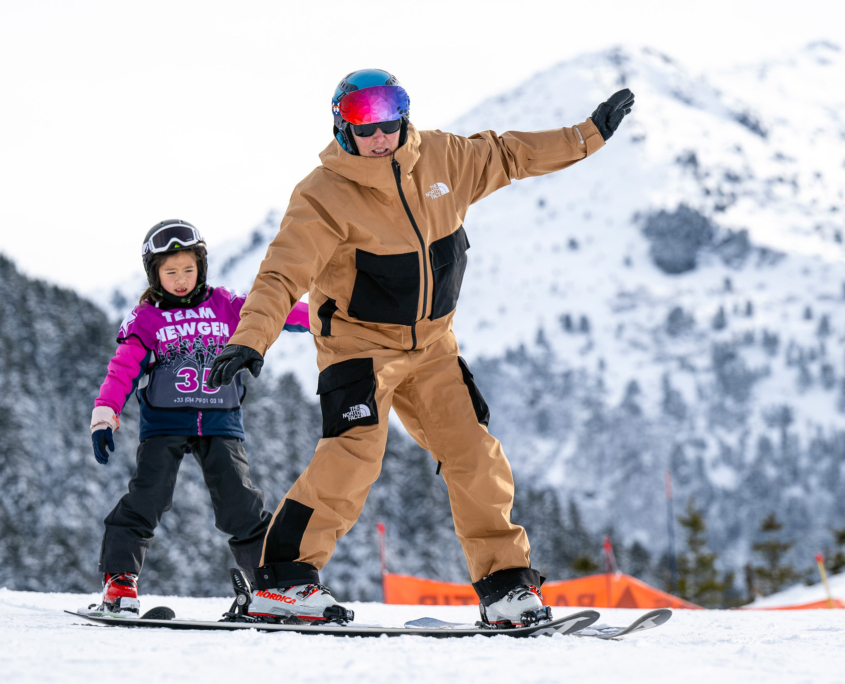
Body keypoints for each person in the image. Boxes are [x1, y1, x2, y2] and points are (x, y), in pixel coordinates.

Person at [208, 70, 634, 627]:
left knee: (474, 454)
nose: (380, 136)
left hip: (432, 345)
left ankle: (507, 586)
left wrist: (587, 136)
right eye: (365, 127)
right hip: (358, 346)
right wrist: (250, 337)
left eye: (389, 121)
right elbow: (282, 274)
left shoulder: (442, 158)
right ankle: (282, 583)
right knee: (353, 455)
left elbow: (509, 154)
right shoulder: (323, 195)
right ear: (343, 128)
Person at [89, 219, 309, 615]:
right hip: (165, 424)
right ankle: (119, 581)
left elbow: (273, 311)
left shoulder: (225, 304)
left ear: (201, 268)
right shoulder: (146, 319)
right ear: (154, 274)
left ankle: (272, 589)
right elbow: (123, 369)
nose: (180, 279)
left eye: (188, 270)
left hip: (221, 422)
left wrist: (325, 316)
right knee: (147, 497)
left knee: (241, 505)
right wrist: (105, 415)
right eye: (170, 272)